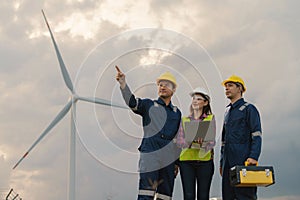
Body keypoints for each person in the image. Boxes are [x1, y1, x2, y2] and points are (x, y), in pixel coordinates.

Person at [115, 66, 182, 200]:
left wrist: (176, 163)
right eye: (160, 84)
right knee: (146, 193)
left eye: (166, 85)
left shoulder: (176, 112)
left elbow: (177, 139)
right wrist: (123, 84)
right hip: (150, 154)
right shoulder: (148, 105)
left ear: (173, 90)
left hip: (168, 158)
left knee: (165, 195)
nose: (162, 87)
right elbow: (132, 102)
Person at [220, 75, 262, 200]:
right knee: (228, 196)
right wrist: (222, 162)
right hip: (228, 161)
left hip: (244, 159)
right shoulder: (228, 112)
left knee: (245, 196)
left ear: (240, 88)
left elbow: (257, 134)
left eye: (230, 85)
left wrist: (254, 156)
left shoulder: (249, 109)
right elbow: (223, 141)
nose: (227, 89)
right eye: (226, 86)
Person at [176, 87, 215, 200]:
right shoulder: (185, 120)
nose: (195, 101)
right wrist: (189, 141)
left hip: (205, 162)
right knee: (189, 196)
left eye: (198, 99)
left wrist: (203, 142)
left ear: (205, 102)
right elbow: (179, 141)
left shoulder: (210, 119)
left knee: (203, 196)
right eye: (193, 98)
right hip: (186, 162)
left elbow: (211, 142)